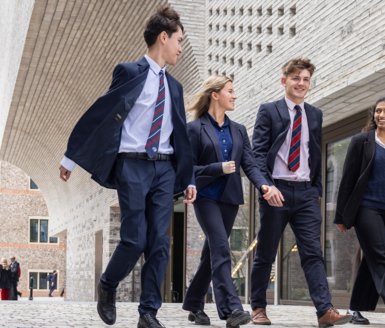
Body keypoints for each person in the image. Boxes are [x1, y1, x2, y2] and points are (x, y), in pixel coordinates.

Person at [59, 5, 195, 328]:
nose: (179, 47)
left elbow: (181, 133)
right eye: (178, 40)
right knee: (134, 239)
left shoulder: (174, 87)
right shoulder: (130, 72)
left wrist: (187, 177)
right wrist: (71, 156)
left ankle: (148, 313)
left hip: (164, 168)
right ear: (163, 37)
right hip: (132, 166)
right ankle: (107, 284)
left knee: (160, 243)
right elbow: (102, 112)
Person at [250, 57, 351, 327]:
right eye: (296, 78)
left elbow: (313, 153)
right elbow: (258, 154)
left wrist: (316, 189)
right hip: (276, 190)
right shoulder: (269, 111)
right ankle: (258, 307)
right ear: (284, 81)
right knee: (267, 252)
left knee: (313, 252)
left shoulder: (315, 114)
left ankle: (324, 310)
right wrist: (265, 185)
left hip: (305, 193)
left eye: (306, 79)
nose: (301, 84)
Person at [182, 75, 281, 328]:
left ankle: (194, 303)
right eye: (230, 91)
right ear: (215, 95)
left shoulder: (238, 129)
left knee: (212, 253)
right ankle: (232, 309)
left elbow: (249, 162)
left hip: (229, 199)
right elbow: (187, 167)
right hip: (205, 197)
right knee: (221, 248)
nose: (234, 95)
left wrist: (264, 185)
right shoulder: (194, 129)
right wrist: (216, 168)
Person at [334, 97, 385, 325]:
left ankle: (356, 308)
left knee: (372, 259)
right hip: (367, 208)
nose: (381, 115)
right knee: (381, 255)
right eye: (378, 111)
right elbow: (347, 180)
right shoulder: (361, 141)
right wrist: (341, 216)